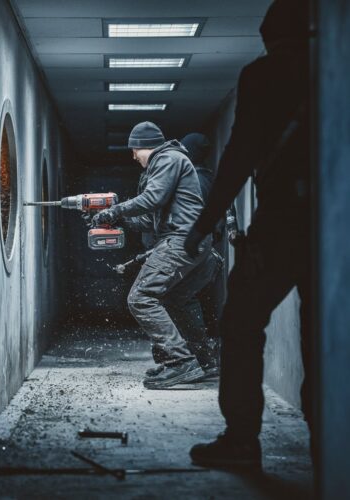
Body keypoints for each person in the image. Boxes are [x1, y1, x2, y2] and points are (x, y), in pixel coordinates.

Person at [184, 0, 311, 468]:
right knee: (324, 337)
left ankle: (241, 440)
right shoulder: (333, 69)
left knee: (239, 323)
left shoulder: (263, 77)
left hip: (282, 222)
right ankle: (330, 443)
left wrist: (203, 226)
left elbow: (239, 157)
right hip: (334, 226)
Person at [92, 121, 220, 389]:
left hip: (182, 240)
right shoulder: (168, 163)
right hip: (190, 240)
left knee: (141, 298)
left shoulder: (169, 158)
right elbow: (150, 221)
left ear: (142, 146)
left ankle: (181, 362)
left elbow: (153, 198)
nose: (133, 157)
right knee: (176, 300)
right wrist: (119, 221)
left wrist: (115, 211)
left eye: (134, 151)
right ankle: (203, 362)